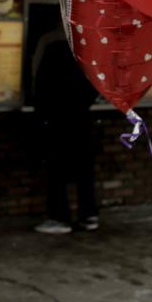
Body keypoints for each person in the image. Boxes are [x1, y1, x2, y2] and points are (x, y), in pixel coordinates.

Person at [31, 24, 99, 234]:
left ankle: (59, 217)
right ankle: (89, 215)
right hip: (82, 115)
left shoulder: (49, 41)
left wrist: (41, 109)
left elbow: (36, 79)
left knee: (56, 169)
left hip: (56, 116)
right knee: (84, 168)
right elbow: (96, 82)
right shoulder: (88, 40)